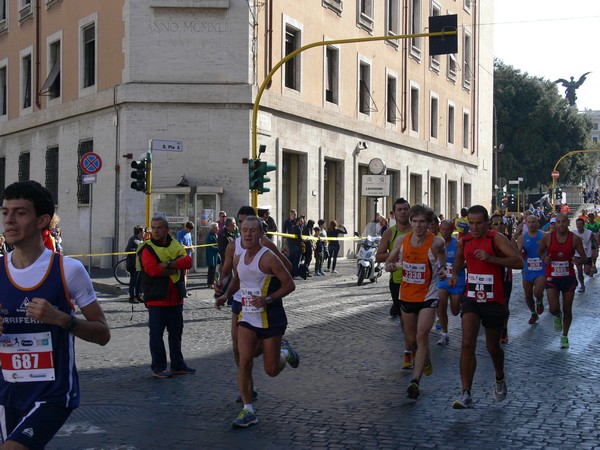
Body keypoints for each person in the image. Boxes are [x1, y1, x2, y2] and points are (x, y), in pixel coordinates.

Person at [0, 180, 110, 448]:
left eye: (20, 212)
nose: (9, 220)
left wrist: (63, 319)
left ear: (42, 221)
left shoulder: (68, 270)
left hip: (52, 394)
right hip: (6, 393)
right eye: (5, 212)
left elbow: (103, 333)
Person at [215, 216, 298, 428]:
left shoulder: (269, 258)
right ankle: (248, 409)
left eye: (253, 231)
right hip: (248, 316)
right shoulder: (237, 258)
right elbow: (237, 280)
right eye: (244, 230)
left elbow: (289, 284)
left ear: (261, 234)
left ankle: (285, 353)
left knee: (271, 370)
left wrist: (267, 299)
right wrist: (225, 295)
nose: (248, 234)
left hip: (271, 318)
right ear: (240, 233)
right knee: (244, 360)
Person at [449, 205, 523, 409]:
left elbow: (519, 262)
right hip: (472, 297)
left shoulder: (496, 239)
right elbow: (458, 262)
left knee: (493, 347)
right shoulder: (465, 241)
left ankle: (499, 377)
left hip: (494, 300)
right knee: (467, 342)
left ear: (487, 222)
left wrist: (492, 259)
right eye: (471, 223)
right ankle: (466, 393)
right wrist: (455, 275)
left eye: (478, 223)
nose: (474, 227)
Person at [385, 205, 447, 400]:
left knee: (422, 336)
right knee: (411, 341)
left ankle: (415, 381)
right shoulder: (403, 240)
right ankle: (425, 358)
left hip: (428, 297)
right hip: (407, 296)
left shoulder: (436, 242)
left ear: (429, 224)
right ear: (411, 222)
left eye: (422, 222)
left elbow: (443, 256)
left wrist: (443, 268)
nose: (418, 225)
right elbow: (391, 257)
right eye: (415, 221)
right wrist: (389, 264)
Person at [139, 216, 195, 378]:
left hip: (175, 297)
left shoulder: (174, 244)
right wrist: (174, 266)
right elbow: (152, 270)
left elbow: (188, 262)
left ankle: (178, 364)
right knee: (156, 334)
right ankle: (159, 367)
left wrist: (168, 264)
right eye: (153, 227)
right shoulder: (146, 248)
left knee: (176, 333)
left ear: (167, 229)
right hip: (157, 298)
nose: (155, 230)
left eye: (159, 227)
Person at [538, 213, 585, 349]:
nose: (561, 224)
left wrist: (577, 260)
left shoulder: (575, 239)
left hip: (568, 279)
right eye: (558, 222)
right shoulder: (548, 237)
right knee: (553, 308)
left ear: (568, 222)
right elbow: (540, 252)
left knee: (568, 309)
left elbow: (584, 257)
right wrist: (544, 258)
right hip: (552, 278)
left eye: (563, 222)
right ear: (555, 223)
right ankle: (557, 316)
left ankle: (564, 336)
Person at [376, 198, 413, 369]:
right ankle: (408, 352)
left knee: (419, 322)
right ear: (394, 213)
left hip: (419, 282)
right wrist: (394, 256)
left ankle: (417, 350)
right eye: (400, 209)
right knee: (404, 322)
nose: (403, 212)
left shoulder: (418, 230)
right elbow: (379, 256)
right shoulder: (390, 233)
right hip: (398, 281)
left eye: (406, 209)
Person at [436, 219, 466, 346]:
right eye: (443, 229)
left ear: (452, 230)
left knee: (454, 310)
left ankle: (460, 308)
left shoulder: (458, 244)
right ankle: (445, 334)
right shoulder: (436, 244)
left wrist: (457, 268)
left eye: (448, 229)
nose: (445, 231)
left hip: (456, 281)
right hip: (442, 280)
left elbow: (466, 262)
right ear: (439, 229)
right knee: (441, 303)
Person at [517, 214, 546, 324]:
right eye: (529, 222)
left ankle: (539, 300)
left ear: (537, 223)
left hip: (541, 269)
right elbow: (517, 252)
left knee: (537, 291)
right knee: (528, 294)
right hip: (527, 269)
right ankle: (533, 313)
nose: (531, 224)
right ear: (526, 223)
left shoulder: (544, 235)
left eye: (533, 222)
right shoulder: (522, 238)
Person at [572, 217, 596, 293]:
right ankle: (582, 285)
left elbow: (595, 241)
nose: (579, 226)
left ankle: (591, 268)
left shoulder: (589, 233)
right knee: (579, 271)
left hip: (587, 255)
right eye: (577, 224)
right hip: (577, 255)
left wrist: (595, 250)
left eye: (580, 224)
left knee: (586, 272)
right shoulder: (573, 233)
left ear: (583, 224)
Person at [126, 225, 145, 304]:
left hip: (139, 265)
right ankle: (131, 297)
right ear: (140, 232)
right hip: (133, 264)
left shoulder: (140, 240)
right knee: (133, 281)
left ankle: (137, 296)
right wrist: (135, 259)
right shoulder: (133, 240)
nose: (144, 233)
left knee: (138, 282)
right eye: (143, 231)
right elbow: (128, 251)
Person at [176, 221, 195, 290]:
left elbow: (190, 243)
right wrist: (188, 247)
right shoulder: (180, 233)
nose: (189, 231)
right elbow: (180, 245)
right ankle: (183, 290)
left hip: (188, 256)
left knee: (186, 273)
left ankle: (184, 289)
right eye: (189, 229)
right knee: (183, 273)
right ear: (186, 227)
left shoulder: (189, 233)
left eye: (190, 230)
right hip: (182, 256)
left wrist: (191, 247)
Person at [205, 222, 220, 288]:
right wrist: (218, 248)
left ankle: (212, 282)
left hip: (214, 254)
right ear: (213, 228)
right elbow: (209, 246)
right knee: (211, 269)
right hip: (211, 255)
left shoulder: (215, 235)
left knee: (213, 269)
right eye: (217, 228)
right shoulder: (209, 236)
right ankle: (210, 283)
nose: (218, 229)